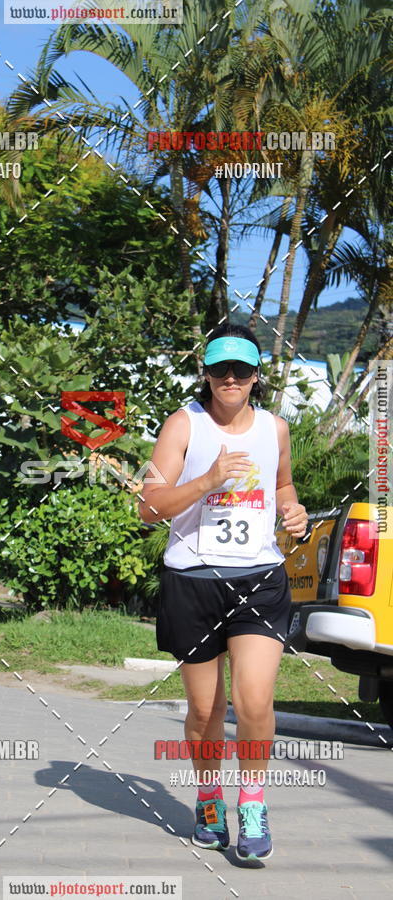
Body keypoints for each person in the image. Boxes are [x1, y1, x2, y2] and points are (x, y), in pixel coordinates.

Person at [139, 324, 307, 862]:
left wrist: (293, 512)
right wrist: (209, 479)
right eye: (219, 370)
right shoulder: (182, 425)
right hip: (193, 580)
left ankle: (252, 804)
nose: (230, 379)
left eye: (241, 370)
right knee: (205, 710)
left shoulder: (275, 429)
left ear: (257, 376)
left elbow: (282, 484)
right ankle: (209, 798)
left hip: (259, 578)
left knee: (253, 700)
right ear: (205, 374)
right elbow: (148, 507)